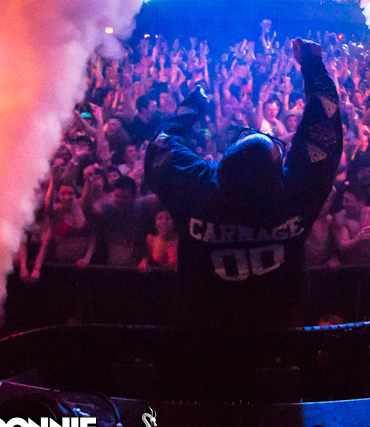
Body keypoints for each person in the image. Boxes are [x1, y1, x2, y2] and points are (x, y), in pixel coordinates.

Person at [144, 38, 342, 328]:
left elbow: (159, 148)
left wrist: (192, 107)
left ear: (221, 164)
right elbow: (325, 131)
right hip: (279, 330)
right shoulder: (297, 194)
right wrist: (312, 64)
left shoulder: (195, 188)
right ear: (278, 177)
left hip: (205, 330)